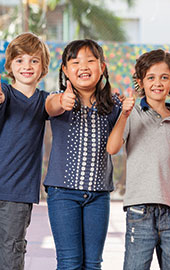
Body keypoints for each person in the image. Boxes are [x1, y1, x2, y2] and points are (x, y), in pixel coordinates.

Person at [43, 39, 122, 270]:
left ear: (102, 67)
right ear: (66, 70)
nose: (83, 66)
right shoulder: (58, 97)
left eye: (90, 61)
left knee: (93, 264)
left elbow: (116, 144)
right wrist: (62, 101)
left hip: (98, 195)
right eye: (75, 62)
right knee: (70, 263)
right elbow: (50, 106)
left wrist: (126, 111)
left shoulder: (113, 104)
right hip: (63, 194)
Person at [107, 49, 170, 270]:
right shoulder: (132, 114)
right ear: (140, 82)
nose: (157, 83)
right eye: (151, 77)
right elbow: (112, 147)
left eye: (164, 77)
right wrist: (123, 115)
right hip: (139, 210)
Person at [0, 32, 50, 270]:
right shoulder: (4, 93)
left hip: (17, 195)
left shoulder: (45, 101)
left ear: (43, 67)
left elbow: (59, 106)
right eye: (19, 60)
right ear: (9, 65)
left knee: (11, 254)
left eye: (34, 60)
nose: (26, 66)